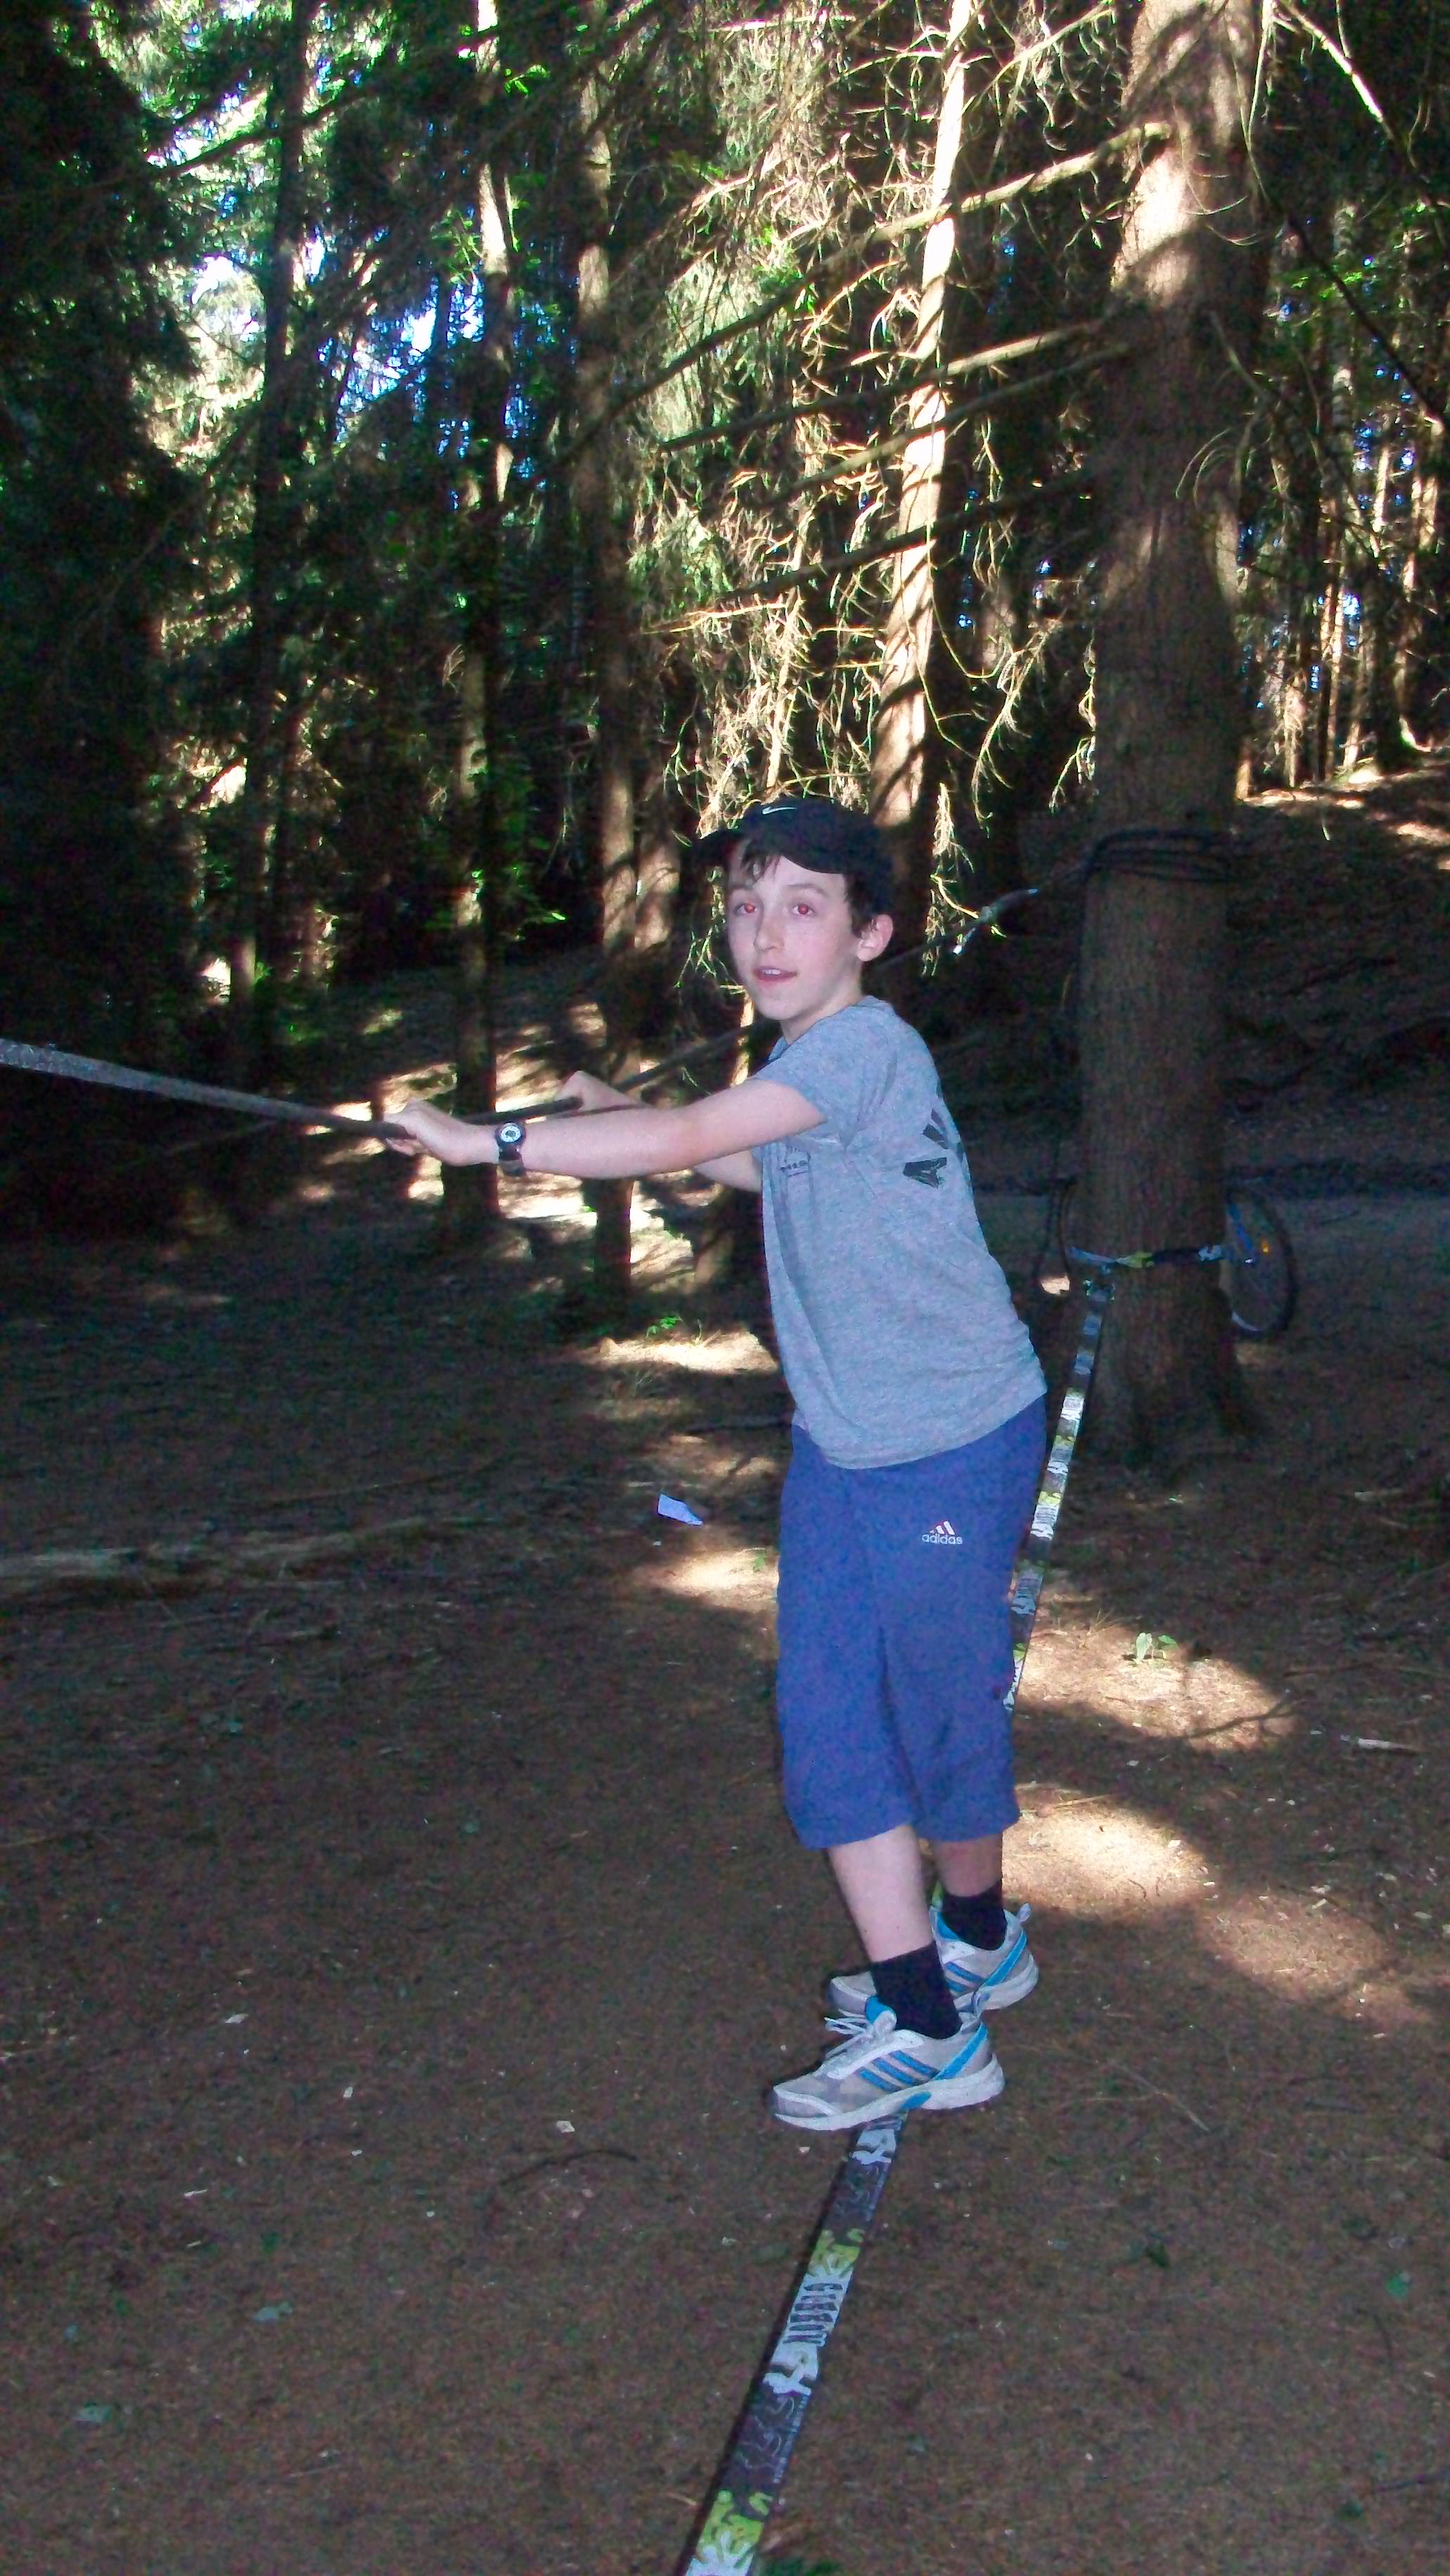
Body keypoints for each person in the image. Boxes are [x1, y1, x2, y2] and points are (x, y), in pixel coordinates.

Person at [390, 798, 1046, 2132]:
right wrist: (626, 1112)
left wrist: (482, 1142)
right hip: (844, 1445)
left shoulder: (864, 1046)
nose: (763, 933)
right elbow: (743, 1162)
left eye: (802, 905)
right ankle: (936, 2005)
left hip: (948, 1442)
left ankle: (973, 1943)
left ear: (870, 932)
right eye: (745, 906)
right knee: (828, 1714)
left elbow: (688, 1144)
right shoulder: (812, 1068)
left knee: (941, 1713)